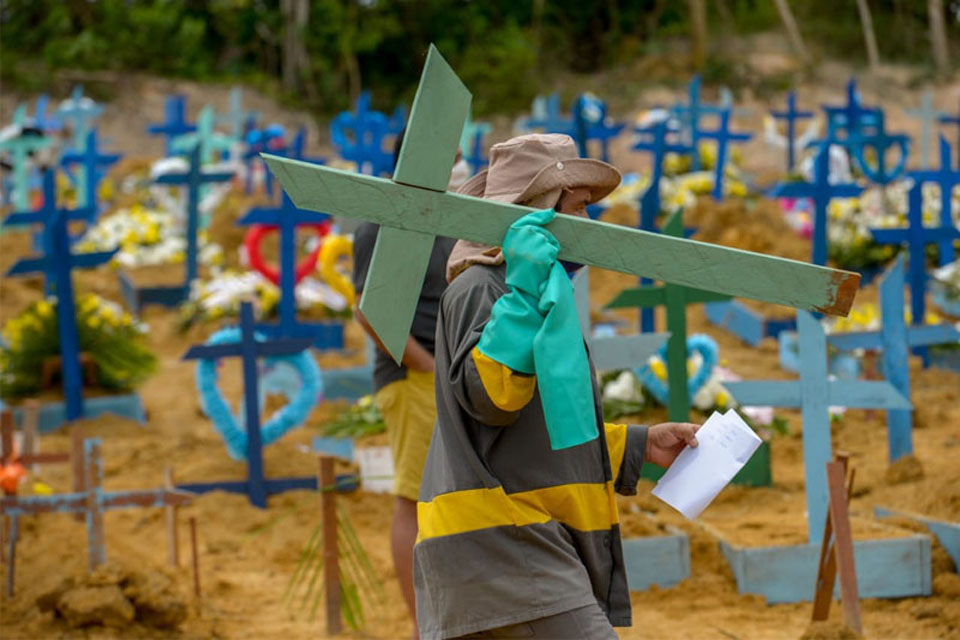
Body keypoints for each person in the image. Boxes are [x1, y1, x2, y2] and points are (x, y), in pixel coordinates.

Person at [413, 133, 701, 640]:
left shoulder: (529, 295)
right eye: (579, 208)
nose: (587, 226)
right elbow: (493, 399)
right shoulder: (484, 289)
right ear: (538, 211)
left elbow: (539, 431)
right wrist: (523, 291)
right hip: (502, 546)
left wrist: (638, 445)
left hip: (519, 545)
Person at [351, 132, 468, 638]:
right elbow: (370, 309)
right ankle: (421, 624)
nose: (461, 169)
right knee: (415, 498)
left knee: (448, 497)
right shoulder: (383, 221)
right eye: (454, 159)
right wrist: (424, 364)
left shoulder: (443, 216)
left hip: (445, 373)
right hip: (412, 376)